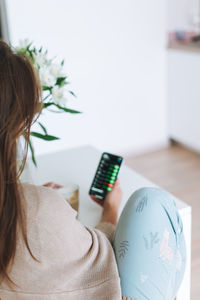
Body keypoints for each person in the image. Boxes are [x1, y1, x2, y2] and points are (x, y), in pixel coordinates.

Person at [0, 39, 186, 300]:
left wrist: (27, 196)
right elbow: (99, 257)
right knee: (152, 201)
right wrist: (110, 209)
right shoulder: (36, 212)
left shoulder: (31, 205)